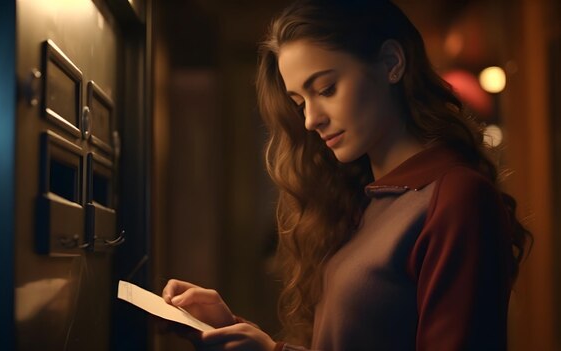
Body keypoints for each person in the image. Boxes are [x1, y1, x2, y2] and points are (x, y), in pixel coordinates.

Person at [162, 0, 531, 350]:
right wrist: (227, 328)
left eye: (326, 89)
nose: (310, 119)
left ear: (391, 62)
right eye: (299, 102)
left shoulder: (455, 197)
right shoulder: (363, 200)